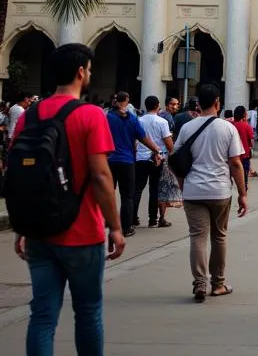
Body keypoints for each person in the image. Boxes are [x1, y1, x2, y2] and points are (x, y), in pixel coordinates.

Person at [11, 43, 132, 356]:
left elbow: (18, 175)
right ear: (82, 71)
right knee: (88, 312)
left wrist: (22, 226)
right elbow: (100, 176)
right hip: (79, 232)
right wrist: (115, 225)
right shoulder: (89, 115)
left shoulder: (28, 115)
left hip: (40, 232)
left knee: (42, 317)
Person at [174, 83, 248, 302]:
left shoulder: (187, 128)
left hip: (193, 190)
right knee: (219, 236)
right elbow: (235, 163)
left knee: (198, 237)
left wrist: (182, 185)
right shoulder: (227, 128)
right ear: (218, 102)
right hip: (219, 191)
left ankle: (199, 284)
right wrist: (243, 193)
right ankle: (218, 283)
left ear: (198, 104)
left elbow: (177, 160)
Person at [106, 90, 163, 237]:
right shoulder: (132, 119)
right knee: (127, 196)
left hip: (110, 160)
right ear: (127, 100)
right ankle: (126, 228)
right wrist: (156, 149)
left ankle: (107, 221)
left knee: (108, 193)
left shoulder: (108, 117)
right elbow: (143, 138)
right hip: (127, 161)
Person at [134, 96, 173, 229]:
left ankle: (133, 217)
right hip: (158, 158)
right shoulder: (162, 122)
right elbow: (168, 142)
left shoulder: (138, 120)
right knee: (155, 189)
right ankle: (153, 219)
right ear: (158, 106)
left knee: (138, 188)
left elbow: (135, 140)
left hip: (140, 158)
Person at [231, 106, 255, 187]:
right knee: (244, 175)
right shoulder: (247, 126)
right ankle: (244, 188)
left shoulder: (231, 125)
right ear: (244, 115)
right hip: (244, 154)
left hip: (232, 155)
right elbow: (251, 141)